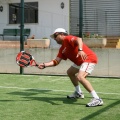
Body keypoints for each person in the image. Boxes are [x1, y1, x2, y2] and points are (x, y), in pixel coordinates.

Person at [38, 28, 103, 107]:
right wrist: (44, 65)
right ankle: (78, 93)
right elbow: (56, 61)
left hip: (88, 58)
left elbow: (79, 39)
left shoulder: (68, 38)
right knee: (70, 72)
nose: (54, 38)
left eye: (55, 36)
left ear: (62, 34)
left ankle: (97, 99)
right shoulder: (62, 49)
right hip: (79, 62)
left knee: (80, 77)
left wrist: (80, 50)